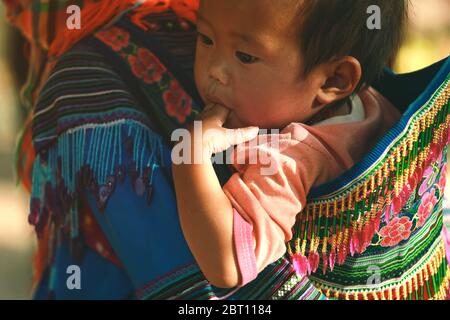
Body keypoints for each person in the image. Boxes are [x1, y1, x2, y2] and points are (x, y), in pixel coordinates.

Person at [5, 0, 450, 300]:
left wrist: (190, 159)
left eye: (245, 58)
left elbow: (228, 263)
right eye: (205, 38)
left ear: (333, 82)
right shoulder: (374, 103)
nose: (214, 72)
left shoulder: (288, 158)